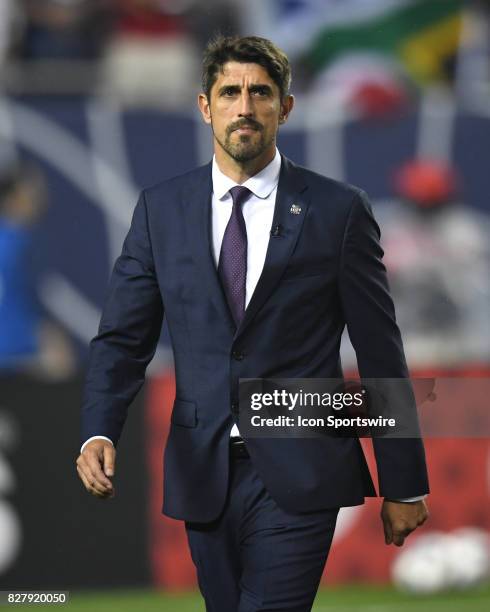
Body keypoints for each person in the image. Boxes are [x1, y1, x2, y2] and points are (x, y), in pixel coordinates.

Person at [77, 35, 429, 612]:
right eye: (230, 92)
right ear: (204, 105)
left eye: (261, 93)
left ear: (285, 108)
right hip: (202, 472)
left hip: (302, 468)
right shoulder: (161, 209)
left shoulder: (337, 210)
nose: (245, 107)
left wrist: (404, 480)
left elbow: (380, 350)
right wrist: (98, 429)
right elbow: (123, 338)